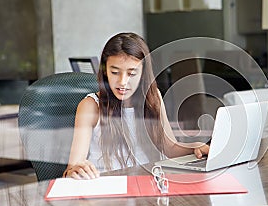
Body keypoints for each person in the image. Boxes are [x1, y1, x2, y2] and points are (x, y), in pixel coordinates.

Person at [63, 32, 209, 179]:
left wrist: (194, 147)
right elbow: (74, 165)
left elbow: (169, 148)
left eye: (131, 74)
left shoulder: (153, 97)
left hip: (147, 185)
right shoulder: (91, 106)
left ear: (143, 73)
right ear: (105, 71)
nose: (122, 82)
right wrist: (76, 169)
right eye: (114, 72)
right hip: (108, 188)